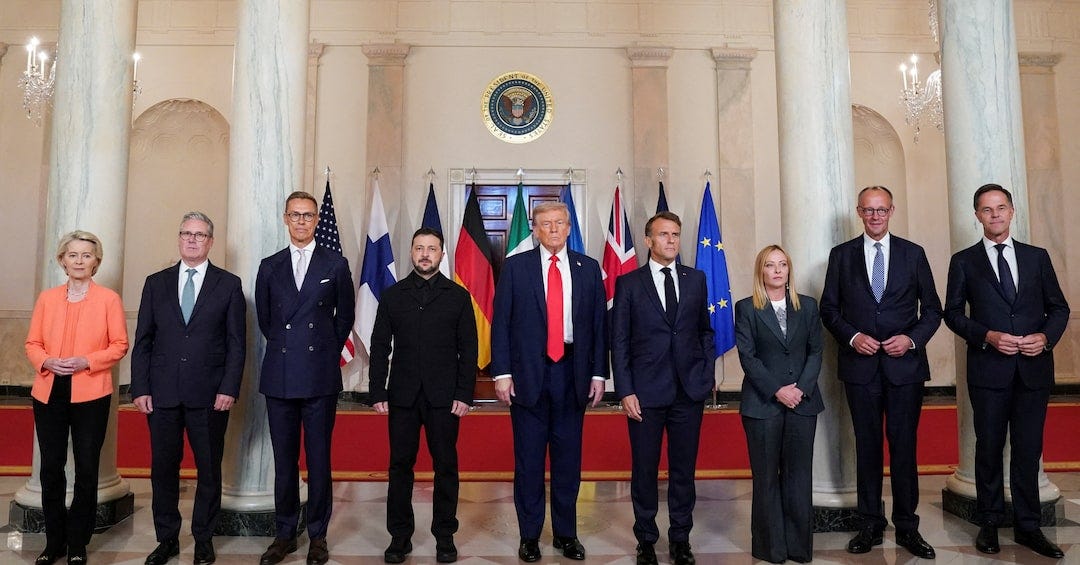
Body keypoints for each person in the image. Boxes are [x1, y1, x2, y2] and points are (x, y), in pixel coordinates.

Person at [943, 183, 1070, 558]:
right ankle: (989, 523)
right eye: (987, 209)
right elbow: (952, 314)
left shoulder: (1037, 257)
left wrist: (1045, 338)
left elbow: (1059, 308)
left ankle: (1029, 526)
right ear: (977, 216)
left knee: (1028, 451)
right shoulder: (964, 261)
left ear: (1012, 212)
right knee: (988, 448)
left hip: (1033, 370)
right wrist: (988, 336)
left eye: (1001, 208)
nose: (995, 214)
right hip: (988, 370)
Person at [819, 185, 941, 559]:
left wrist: (911, 339)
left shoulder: (913, 253)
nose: (875, 216)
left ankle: (907, 526)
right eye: (869, 210)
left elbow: (932, 310)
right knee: (867, 447)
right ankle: (870, 524)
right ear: (859, 212)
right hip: (860, 369)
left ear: (891, 211)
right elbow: (829, 309)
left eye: (881, 210)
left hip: (905, 369)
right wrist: (853, 337)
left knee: (904, 448)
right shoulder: (841, 255)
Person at [491, 201, 607, 563]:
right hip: (528, 374)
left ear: (569, 228)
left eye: (559, 223)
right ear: (536, 230)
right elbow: (501, 322)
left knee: (568, 461)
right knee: (528, 462)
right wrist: (502, 373)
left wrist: (599, 373)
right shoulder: (516, 267)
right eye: (546, 224)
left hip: (572, 373)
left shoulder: (589, 268)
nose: (553, 229)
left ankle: (566, 534)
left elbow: (599, 326)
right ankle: (529, 536)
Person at [131, 212, 246, 565]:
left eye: (200, 235)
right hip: (162, 393)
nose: (192, 240)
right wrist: (140, 387)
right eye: (186, 234)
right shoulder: (156, 283)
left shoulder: (228, 284)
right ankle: (166, 539)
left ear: (211, 241)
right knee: (163, 469)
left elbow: (236, 343)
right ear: (179, 238)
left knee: (209, 469)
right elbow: (143, 340)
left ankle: (203, 538)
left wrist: (229, 387)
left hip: (210, 395)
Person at [255, 191, 356, 565]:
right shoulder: (270, 266)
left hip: (318, 375)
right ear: (285, 218)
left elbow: (345, 317)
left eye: (308, 215)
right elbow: (266, 320)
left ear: (317, 220)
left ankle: (317, 535)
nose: (301, 221)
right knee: (284, 461)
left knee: (318, 460)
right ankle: (284, 534)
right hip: (280, 374)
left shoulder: (336, 264)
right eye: (295, 215)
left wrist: (322, 351)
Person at [611, 212, 715, 565]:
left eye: (675, 234)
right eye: (664, 234)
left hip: (688, 391)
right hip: (645, 393)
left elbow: (705, 331)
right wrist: (625, 390)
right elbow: (619, 341)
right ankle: (646, 540)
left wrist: (704, 373)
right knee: (644, 470)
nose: (671, 240)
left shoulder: (696, 279)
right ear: (648, 240)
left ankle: (680, 539)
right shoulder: (629, 283)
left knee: (683, 470)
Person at [369, 227, 478, 564]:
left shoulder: (458, 296)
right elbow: (379, 346)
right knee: (400, 466)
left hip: (445, 397)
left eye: (432, 248)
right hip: (402, 395)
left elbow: (469, 350)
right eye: (419, 248)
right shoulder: (393, 295)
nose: (425, 254)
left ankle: (445, 536)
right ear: (411, 253)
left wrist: (464, 393)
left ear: (442, 254)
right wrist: (377, 390)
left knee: (446, 466)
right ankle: (399, 537)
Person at [25, 230, 129, 565]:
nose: (79, 261)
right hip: (49, 390)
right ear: (62, 260)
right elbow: (32, 343)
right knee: (50, 468)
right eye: (73, 255)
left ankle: (78, 543)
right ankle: (54, 542)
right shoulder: (47, 299)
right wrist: (45, 361)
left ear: (96, 261)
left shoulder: (109, 300)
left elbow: (119, 345)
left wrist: (87, 361)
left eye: (86, 255)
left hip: (91, 393)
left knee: (86, 468)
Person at [734, 245, 823, 564]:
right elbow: (748, 357)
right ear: (761, 270)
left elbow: (816, 351)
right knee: (767, 477)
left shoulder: (807, 306)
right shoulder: (746, 308)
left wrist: (800, 389)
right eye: (770, 265)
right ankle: (771, 548)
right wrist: (777, 391)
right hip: (762, 404)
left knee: (799, 477)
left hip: (803, 402)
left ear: (789, 270)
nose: (777, 270)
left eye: (782, 264)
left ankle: (798, 547)